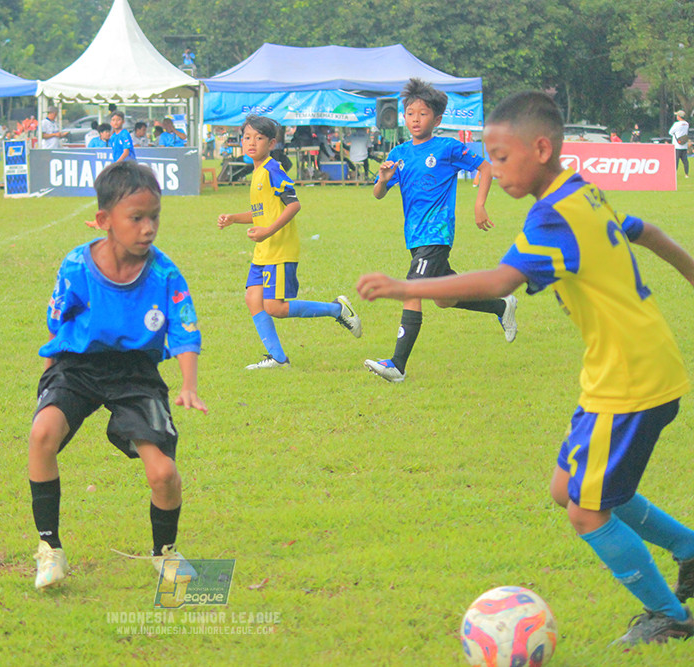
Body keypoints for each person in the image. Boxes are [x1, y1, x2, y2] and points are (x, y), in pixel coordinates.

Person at [357, 90, 694, 646]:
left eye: (500, 155)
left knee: (587, 512)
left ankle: (675, 619)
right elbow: (646, 231)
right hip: (614, 372)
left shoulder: (553, 216)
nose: (491, 167)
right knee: (568, 488)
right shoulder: (580, 192)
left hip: (633, 380)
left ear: (541, 148)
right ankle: (687, 547)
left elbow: (499, 281)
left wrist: (405, 285)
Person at [29, 161, 207, 589]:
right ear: (105, 220)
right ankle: (49, 549)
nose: (148, 228)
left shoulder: (164, 273)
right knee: (41, 435)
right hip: (80, 364)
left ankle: (164, 553)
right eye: (137, 218)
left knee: (163, 474)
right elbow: (57, 321)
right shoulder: (76, 266)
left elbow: (184, 330)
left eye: (155, 216)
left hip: (135, 373)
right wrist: (49, 378)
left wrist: (188, 385)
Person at [365, 78, 516, 383]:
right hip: (415, 236)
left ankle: (397, 365)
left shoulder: (447, 148)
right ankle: (502, 305)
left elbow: (485, 168)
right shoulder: (400, 153)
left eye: (422, 114)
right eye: (410, 114)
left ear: (436, 119)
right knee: (444, 298)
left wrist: (479, 205)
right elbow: (378, 194)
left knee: (412, 288)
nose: (415, 120)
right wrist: (382, 179)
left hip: (436, 233)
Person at [216, 115, 362, 370]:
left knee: (275, 307)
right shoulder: (257, 171)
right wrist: (233, 218)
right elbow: (263, 212)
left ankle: (337, 310)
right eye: (247, 137)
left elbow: (293, 205)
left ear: (271, 143)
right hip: (264, 249)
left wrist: (267, 232)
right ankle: (278, 358)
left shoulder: (273, 169)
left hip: (280, 249)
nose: (252, 143)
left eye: (259, 138)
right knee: (253, 298)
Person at [669, 110, 689, 179]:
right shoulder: (686, 124)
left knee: (676, 160)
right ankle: (686, 174)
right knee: (685, 160)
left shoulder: (676, 124)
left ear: (679, 116)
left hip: (677, 145)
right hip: (684, 145)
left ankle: (674, 174)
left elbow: (670, 132)